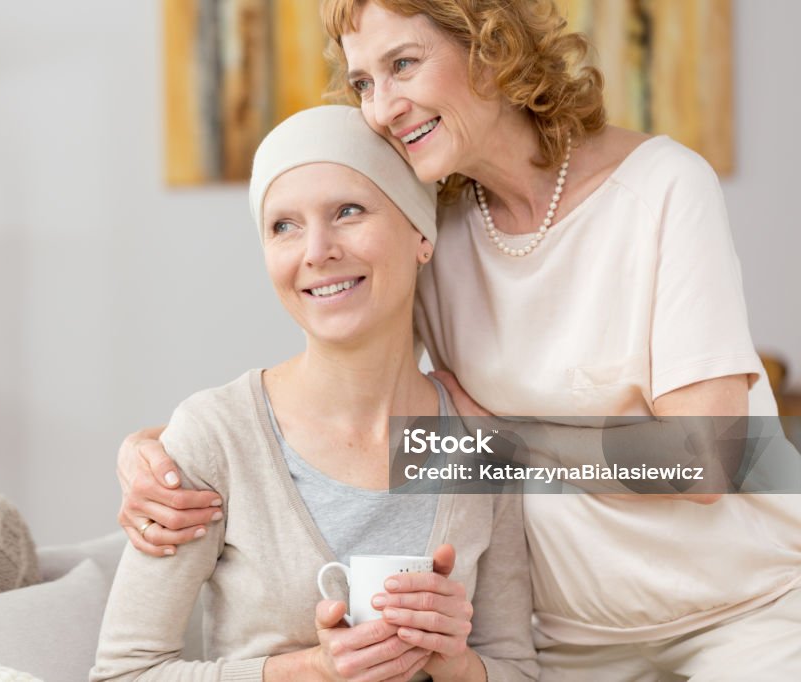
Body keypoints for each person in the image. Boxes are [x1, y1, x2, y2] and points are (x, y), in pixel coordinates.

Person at [117, 1, 801, 680]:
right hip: (568, 637)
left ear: (492, 45)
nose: (382, 107)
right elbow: (338, 396)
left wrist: (505, 443)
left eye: (403, 65)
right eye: (363, 83)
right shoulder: (435, 230)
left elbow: (708, 460)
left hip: (742, 610)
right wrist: (158, 455)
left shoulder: (661, 188)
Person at [91, 105, 538, 682]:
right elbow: (123, 672)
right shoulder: (214, 438)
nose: (316, 250)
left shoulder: (482, 450)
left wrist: (453, 659)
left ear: (420, 234)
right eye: (284, 226)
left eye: (348, 211)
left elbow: (518, 672)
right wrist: (311, 670)